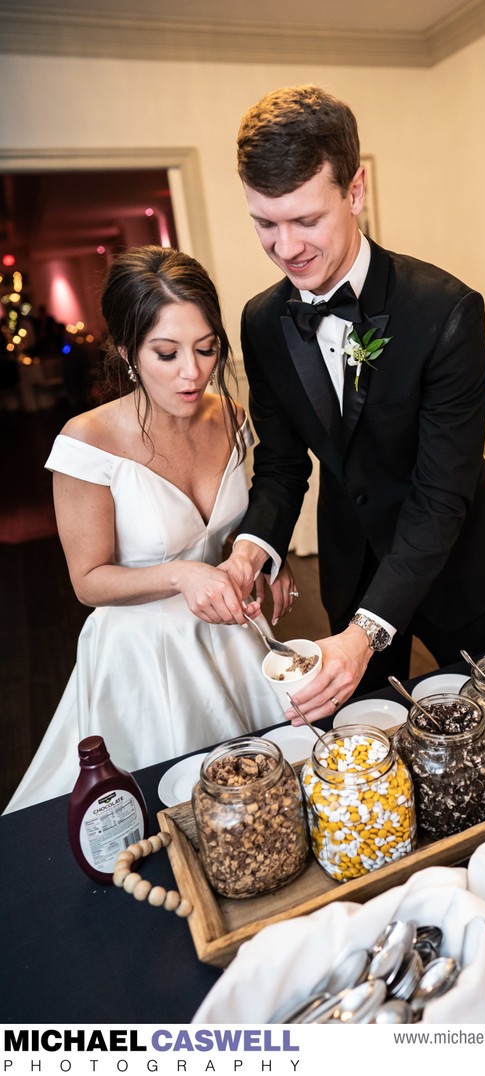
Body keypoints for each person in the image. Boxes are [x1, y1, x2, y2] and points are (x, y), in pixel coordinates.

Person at [225, 84, 485, 727]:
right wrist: (254, 547)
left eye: (306, 220)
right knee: (367, 739)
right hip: (352, 561)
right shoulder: (261, 321)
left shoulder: (445, 311)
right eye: (264, 224)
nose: (286, 247)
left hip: (456, 565)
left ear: (355, 190)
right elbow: (281, 464)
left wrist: (368, 632)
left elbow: (441, 493)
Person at [5, 246, 294, 813]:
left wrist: (264, 558)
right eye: (166, 353)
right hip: (145, 656)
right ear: (125, 351)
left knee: (268, 800)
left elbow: (260, 508)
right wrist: (182, 575)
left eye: (206, 349)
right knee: (178, 811)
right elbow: (88, 581)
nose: (193, 373)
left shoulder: (231, 416)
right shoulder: (86, 442)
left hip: (232, 635)